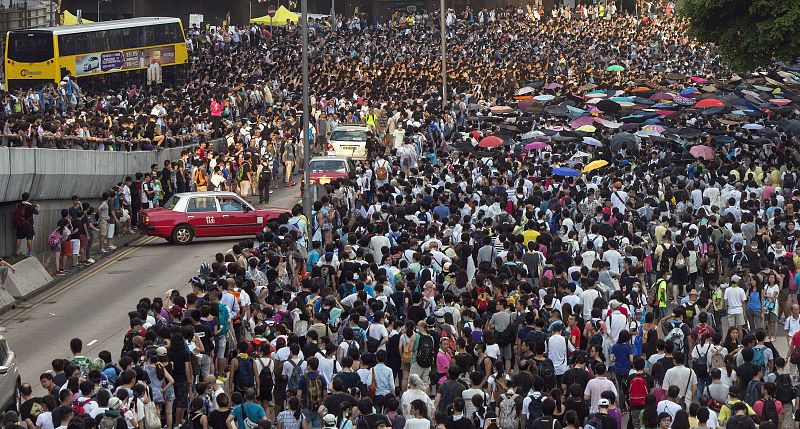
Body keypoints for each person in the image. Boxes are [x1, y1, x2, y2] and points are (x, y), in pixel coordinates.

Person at [13, 192, 39, 257]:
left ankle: (16, 252)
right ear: (28, 198)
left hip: (20, 224)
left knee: (19, 238)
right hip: (28, 225)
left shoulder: (19, 204)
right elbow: (37, 212)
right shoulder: (29, 206)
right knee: (29, 238)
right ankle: (30, 253)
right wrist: (38, 207)